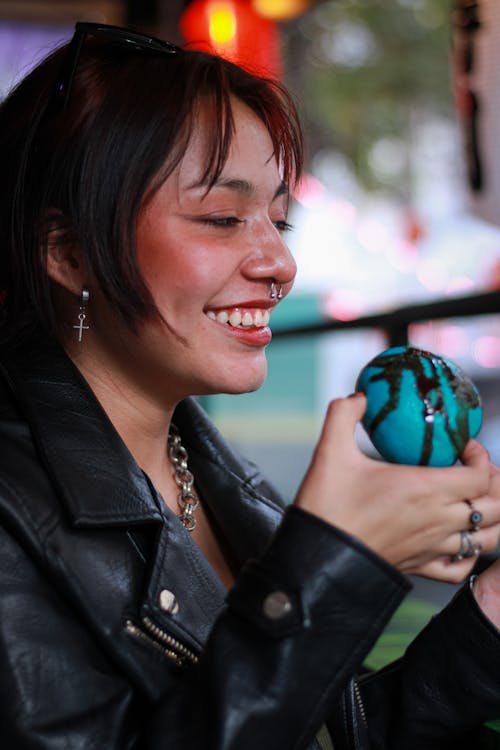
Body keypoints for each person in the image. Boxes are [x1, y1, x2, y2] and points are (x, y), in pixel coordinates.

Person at [0, 21, 499, 750]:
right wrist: (332, 563)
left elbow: (315, 732)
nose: (279, 263)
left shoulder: (207, 470)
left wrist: (486, 619)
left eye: (278, 219)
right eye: (223, 218)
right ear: (68, 253)